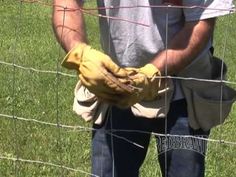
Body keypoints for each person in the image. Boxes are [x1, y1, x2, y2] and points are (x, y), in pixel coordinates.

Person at [52, 0, 236, 177]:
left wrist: (152, 72)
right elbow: (67, 4)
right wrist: (80, 53)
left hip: (182, 94)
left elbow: (200, 23)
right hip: (116, 86)